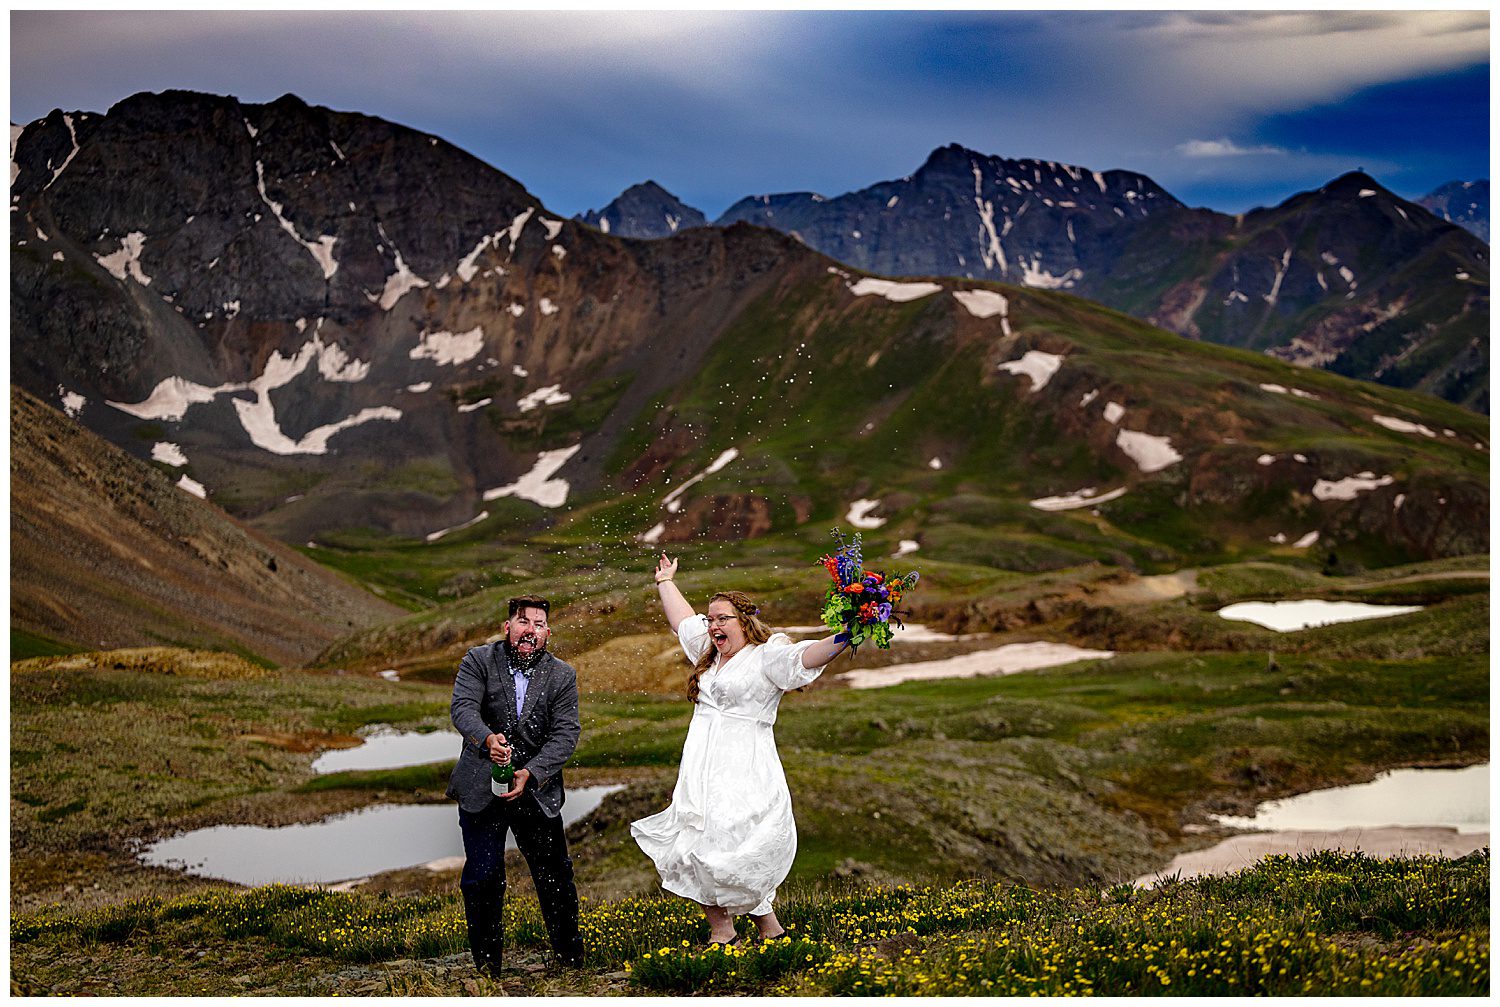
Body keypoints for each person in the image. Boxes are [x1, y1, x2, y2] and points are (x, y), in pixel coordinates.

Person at [631, 552, 851, 945]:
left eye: (722, 619)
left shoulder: (766, 657)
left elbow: (808, 655)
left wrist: (849, 633)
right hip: (702, 764)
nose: (713, 625)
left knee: (739, 842)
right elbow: (682, 620)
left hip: (746, 765)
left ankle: (752, 927)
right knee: (696, 840)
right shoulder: (708, 652)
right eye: (711, 618)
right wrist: (665, 581)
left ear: (744, 623)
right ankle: (739, 929)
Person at [447, 594, 584, 976]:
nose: (531, 631)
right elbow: (463, 710)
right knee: (483, 877)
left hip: (536, 791)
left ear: (547, 634)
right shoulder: (478, 660)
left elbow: (565, 734)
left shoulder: (562, 675)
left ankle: (571, 961)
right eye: (524, 622)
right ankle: (488, 969)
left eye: (539, 625)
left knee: (555, 874)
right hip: (480, 787)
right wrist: (488, 740)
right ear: (507, 627)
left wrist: (533, 772)